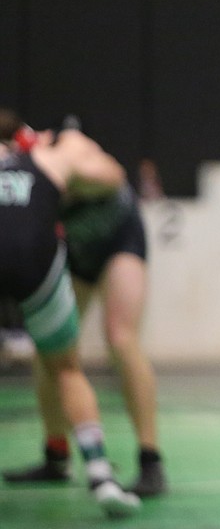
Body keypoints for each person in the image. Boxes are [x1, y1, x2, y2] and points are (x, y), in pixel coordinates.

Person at [2, 115, 166, 497]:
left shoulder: (62, 148)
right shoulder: (19, 170)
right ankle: (57, 456)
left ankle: (151, 459)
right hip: (75, 249)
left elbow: (113, 175)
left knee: (121, 337)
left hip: (118, 239)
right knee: (53, 351)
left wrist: (65, 171)